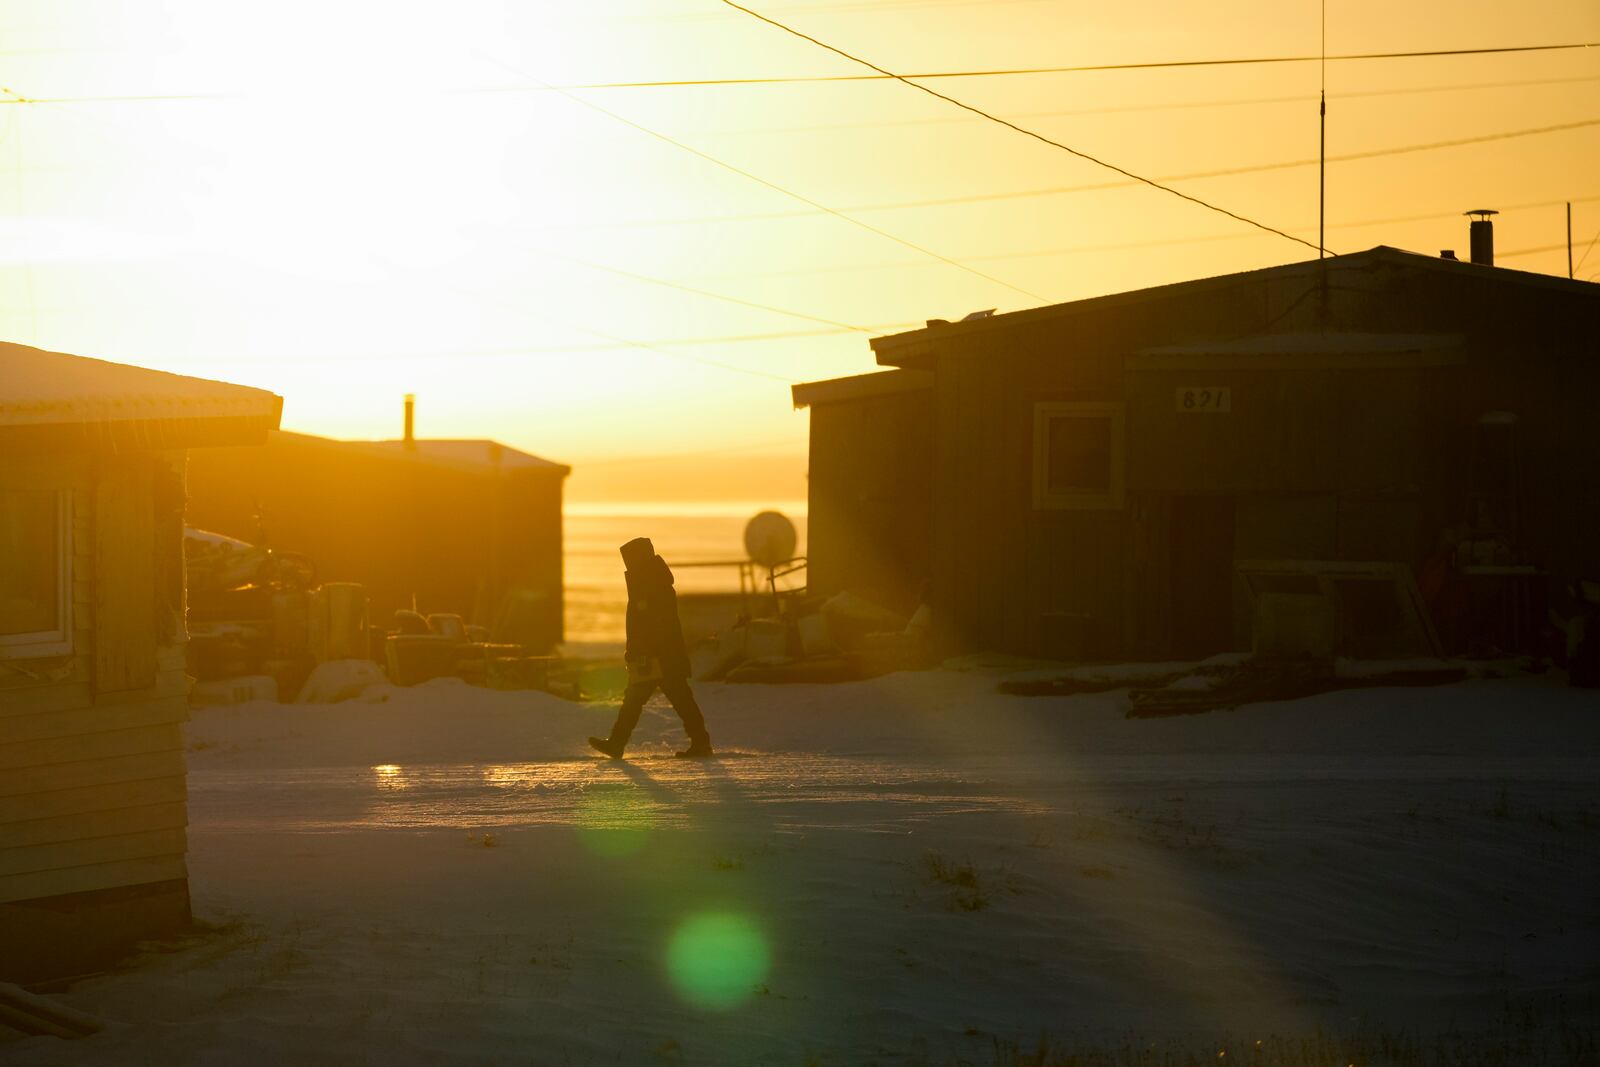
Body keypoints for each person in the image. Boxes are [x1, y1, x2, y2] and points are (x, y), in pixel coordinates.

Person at [588, 537, 714, 758]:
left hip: (660, 659)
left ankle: (618, 743)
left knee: (668, 700)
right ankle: (618, 742)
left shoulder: (654, 587)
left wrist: (643, 653)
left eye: (629, 559)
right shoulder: (649, 584)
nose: (626, 564)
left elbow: (656, 626)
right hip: (656, 658)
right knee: (654, 700)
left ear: (638, 559)